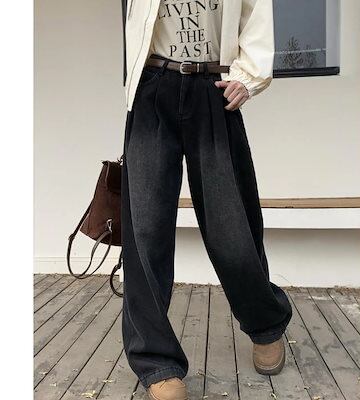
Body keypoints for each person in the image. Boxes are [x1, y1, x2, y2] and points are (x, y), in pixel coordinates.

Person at [120, 1, 292, 399]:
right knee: (145, 230)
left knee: (233, 227)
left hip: (213, 87)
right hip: (152, 86)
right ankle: (156, 361)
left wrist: (249, 77)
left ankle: (265, 323)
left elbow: (256, 12)